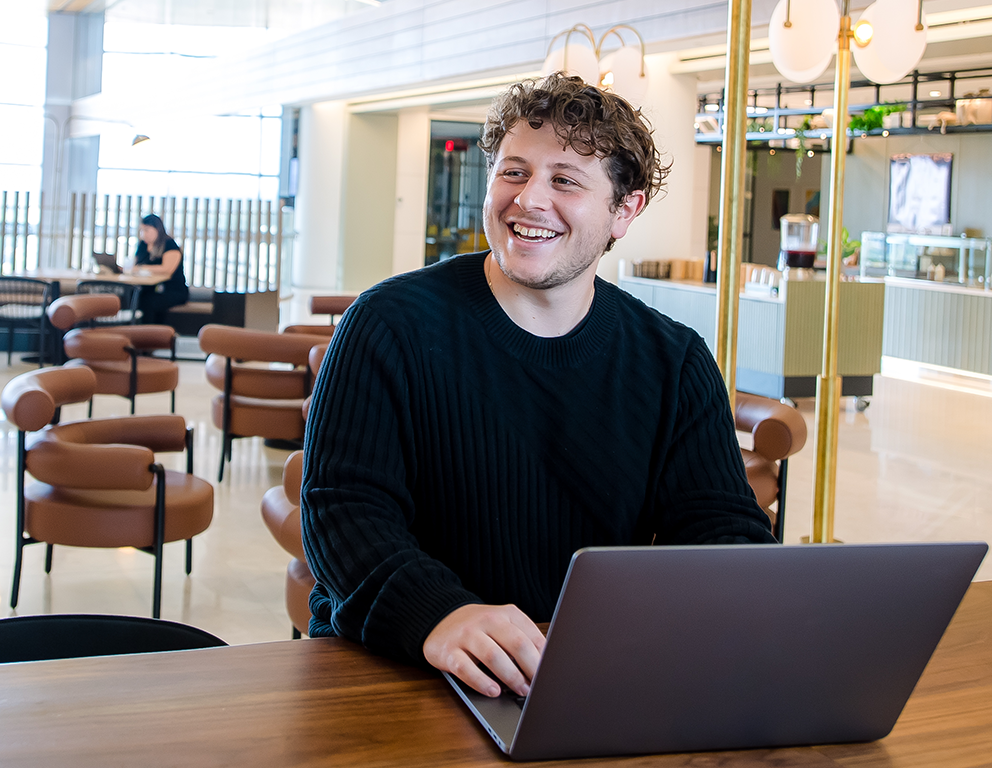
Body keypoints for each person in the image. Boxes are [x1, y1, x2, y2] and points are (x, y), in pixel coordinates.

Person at [300, 75, 776, 700]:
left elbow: (718, 525)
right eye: (514, 172)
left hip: (579, 677)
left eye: (565, 180)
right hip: (400, 669)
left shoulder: (675, 361)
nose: (529, 200)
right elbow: (345, 511)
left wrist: (757, 596)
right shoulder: (388, 325)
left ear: (624, 211)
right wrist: (442, 613)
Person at [131, 213, 189, 324]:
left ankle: (151, 336)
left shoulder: (169, 245)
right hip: (149, 288)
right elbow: (135, 265)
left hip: (173, 290)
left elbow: (167, 269)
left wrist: (142, 268)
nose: (144, 234)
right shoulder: (143, 245)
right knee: (134, 298)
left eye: (147, 230)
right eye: (142, 231)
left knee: (149, 302)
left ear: (157, 229)